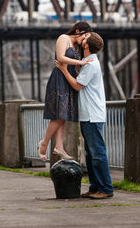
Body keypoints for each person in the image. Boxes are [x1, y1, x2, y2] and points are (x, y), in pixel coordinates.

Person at [56, 32, 114, 199]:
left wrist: (63, 69)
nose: (82, 38)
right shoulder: (88, 63)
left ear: (87, 45)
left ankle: (105, 188)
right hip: (88, 114)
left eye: (85, 38)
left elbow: (77, 85)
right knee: (90, 154)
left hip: (92, 114)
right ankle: (95, 187)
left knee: (97, 153)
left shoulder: (91, 65)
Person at [39, 21, 93, 161]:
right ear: (78, 31)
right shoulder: (63, 38)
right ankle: (44, 142)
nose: (85, 39)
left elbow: (72, 65)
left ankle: (59, 146)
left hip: (68, 79)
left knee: (63, 115)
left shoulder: (75, 46)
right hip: (59, 79)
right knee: (60, 115)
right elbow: (60, 57)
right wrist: (80, 62)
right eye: (85, 35)